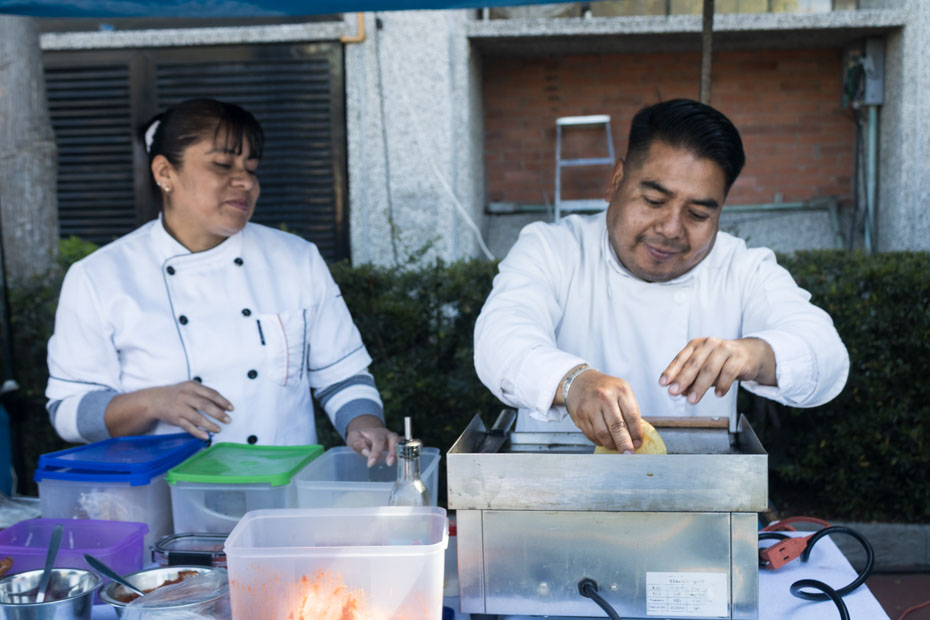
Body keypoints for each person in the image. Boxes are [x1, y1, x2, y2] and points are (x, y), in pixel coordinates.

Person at [474, 98, 849, 454]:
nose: (671, 229)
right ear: (616, 179)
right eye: (654, 201)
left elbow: (828, 358)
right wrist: (571, 381)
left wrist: (754, 353)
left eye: (698, 214)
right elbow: (500, 340)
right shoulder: (553, 249)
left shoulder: (740, 267)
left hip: (694, 503)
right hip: (553, 499)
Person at [46, 98, 398, 465]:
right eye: (222, 165)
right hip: (166, 502)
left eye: (251, 167)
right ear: (165, 172)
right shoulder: (100, 277)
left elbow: (342, 375)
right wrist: (153, 402)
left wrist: (364, 425)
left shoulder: (295, 259)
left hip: (284, 495)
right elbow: (68, 412)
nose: (245, 181)